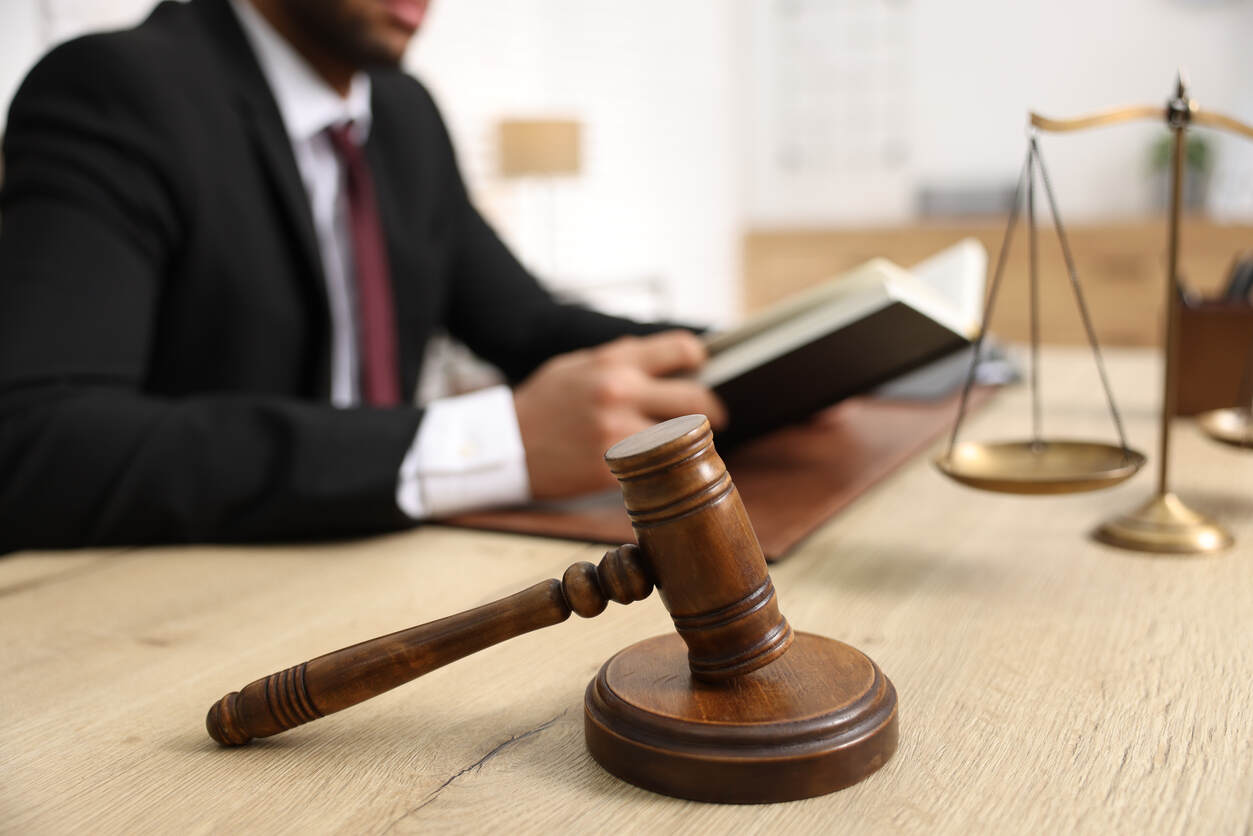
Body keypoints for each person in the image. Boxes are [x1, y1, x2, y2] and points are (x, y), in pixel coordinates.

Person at [0, 0, 726, 552]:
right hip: (198, 600)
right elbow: (35, 442)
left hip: (392, 562)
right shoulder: (119, 88)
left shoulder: (403, 112)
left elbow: (525, 324)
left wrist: (745, 355)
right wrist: (484, 445)